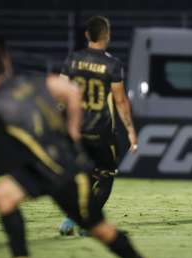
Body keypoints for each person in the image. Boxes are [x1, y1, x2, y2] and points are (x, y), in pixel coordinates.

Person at [0, 41, 162, 258]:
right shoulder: (32, 81)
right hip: (41, 168)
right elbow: (71, 90)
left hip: (65, 173)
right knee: (4, 195)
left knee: (98, 229)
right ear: (6, 62)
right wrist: (73, 128)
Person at [59, 16, 138, 235]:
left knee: (84, 175)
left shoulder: (72, 60)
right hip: (101, 131)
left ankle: (70, 219)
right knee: (105, 177)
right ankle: (89, 224)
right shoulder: (111, 64)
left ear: (87, 35)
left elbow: (58, 93)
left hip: (75, 130)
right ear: (107, 35)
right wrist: (131, 131)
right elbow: (121, 101)